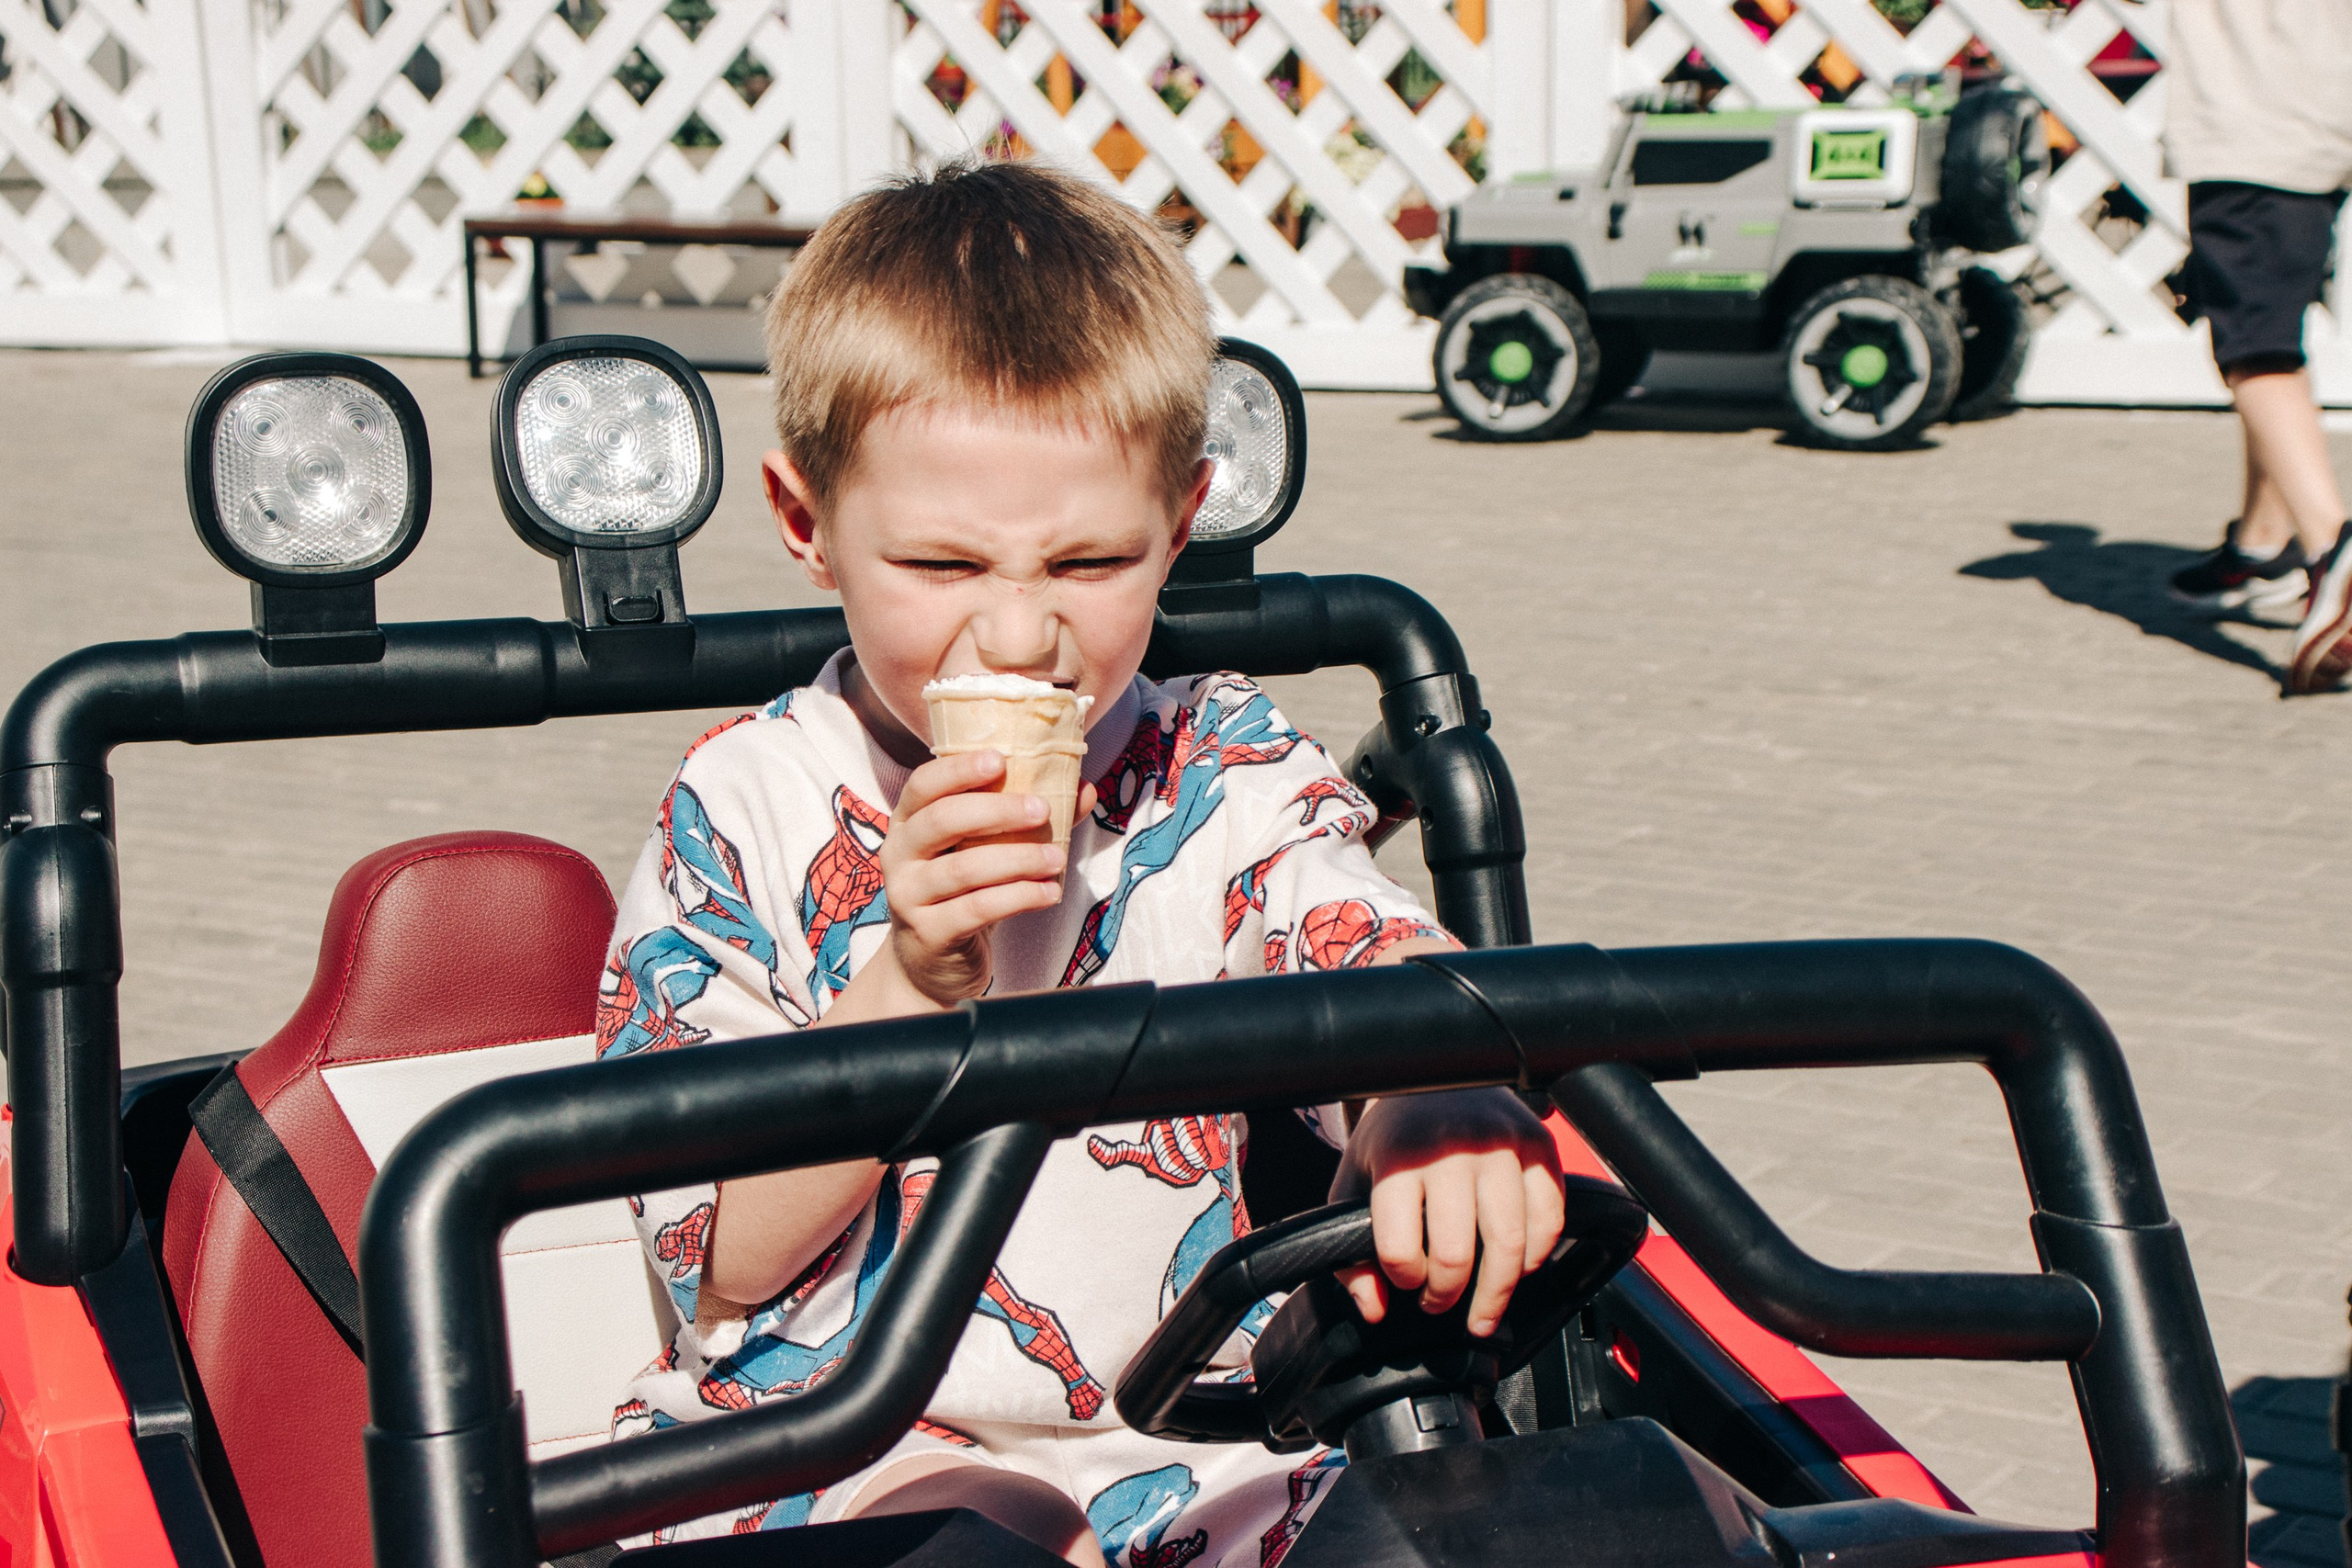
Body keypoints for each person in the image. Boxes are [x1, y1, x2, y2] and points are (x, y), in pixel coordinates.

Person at [592, 159, 1566, 1561]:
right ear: (807, 525)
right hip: (834, 1451)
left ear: (1178, 525)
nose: (1020, 635)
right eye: (942, 567)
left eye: (1090, 561)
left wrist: (1432, 1093)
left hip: (1201, 1443)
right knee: (981, 1532)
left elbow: (1354, 928)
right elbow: (719, 1255)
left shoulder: (1216, 763)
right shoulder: (743, 803)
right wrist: (914, 981)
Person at [2158, 0, 2352, 692]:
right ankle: (2263, 545)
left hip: (2254, 120)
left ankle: (2333, 548)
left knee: (2252, 346)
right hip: (2326, 107)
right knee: (2275, 324)